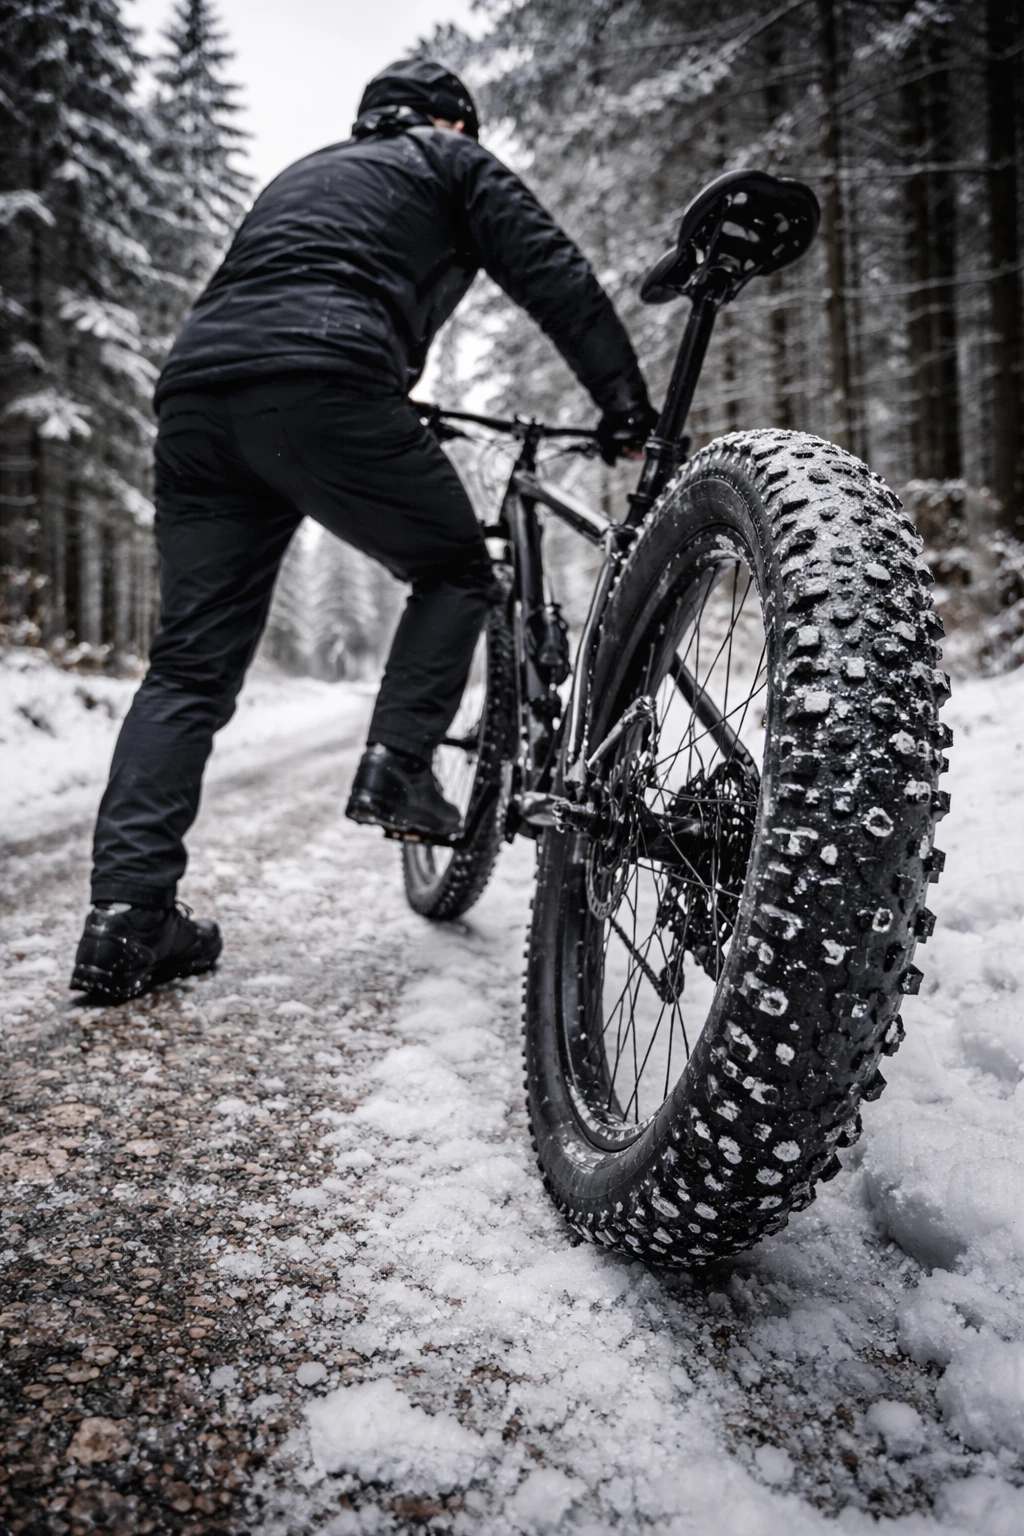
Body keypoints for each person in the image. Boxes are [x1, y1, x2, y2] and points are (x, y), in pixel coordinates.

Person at [70, 57, 657, 1004]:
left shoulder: (301, 173)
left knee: (185, 670)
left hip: (197, 400)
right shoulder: (448, 159)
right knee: (457, 568)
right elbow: (549, 269)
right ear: (451, 123)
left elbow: (278, 293)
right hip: (327, 381)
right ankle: (400, 764)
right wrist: (623, 403)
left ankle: (126, 923)